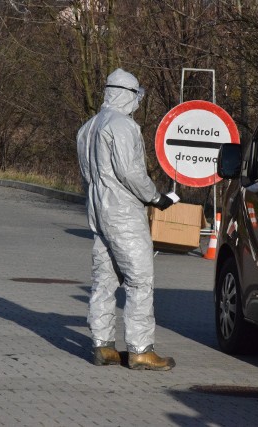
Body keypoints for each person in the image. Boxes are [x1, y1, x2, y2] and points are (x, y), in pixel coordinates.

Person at [76, 68, 175, 370]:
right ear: (127, 94)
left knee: (104, 281)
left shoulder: (88, 128)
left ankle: (102, 346)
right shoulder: (122, 126)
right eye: (136, 96)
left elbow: (86, 175)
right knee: (139, 280)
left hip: (98, 211)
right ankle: (141, 349)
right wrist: (156, 197)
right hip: (123, 213)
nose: (138, 102)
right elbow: (130, 172)